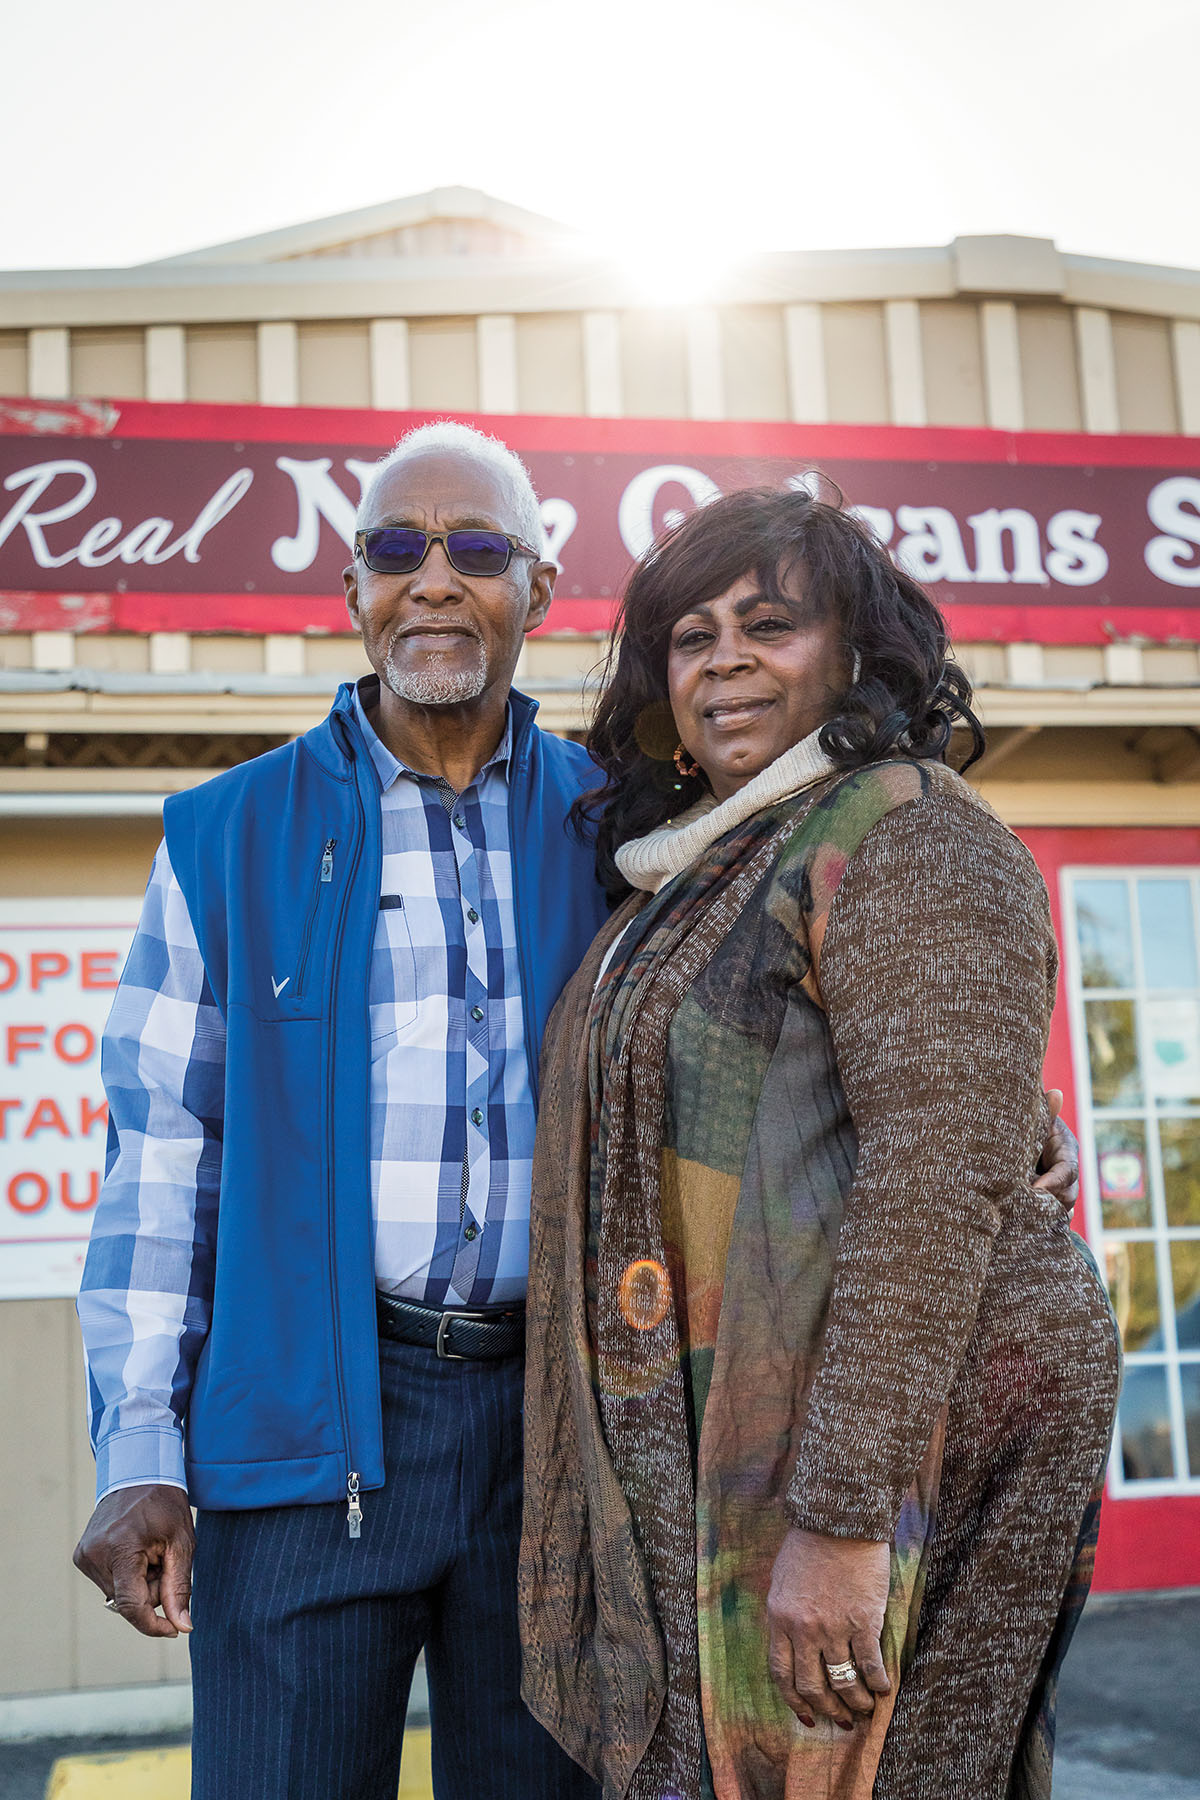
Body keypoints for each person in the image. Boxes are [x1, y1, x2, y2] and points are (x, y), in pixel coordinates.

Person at [518, 486, 1120, 1800]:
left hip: (909, 1445)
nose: (723, 658)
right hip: (753, 1446)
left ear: (854, 656)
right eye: (692, 636)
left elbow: (929, 1181)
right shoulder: (694, 864)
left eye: (769, 624)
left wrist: (847, 1526)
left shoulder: (904, 827)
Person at [72, 421, 607, 1800]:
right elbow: (161, 1153)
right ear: (351, 590)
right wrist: (139, 1449)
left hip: (558, 1432)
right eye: (395, 548)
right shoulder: (227, 835)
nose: (434, 580)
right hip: (313, 1430)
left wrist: (984, 1124)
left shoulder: (623, 829)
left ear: (537, 592)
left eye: (477, 549)